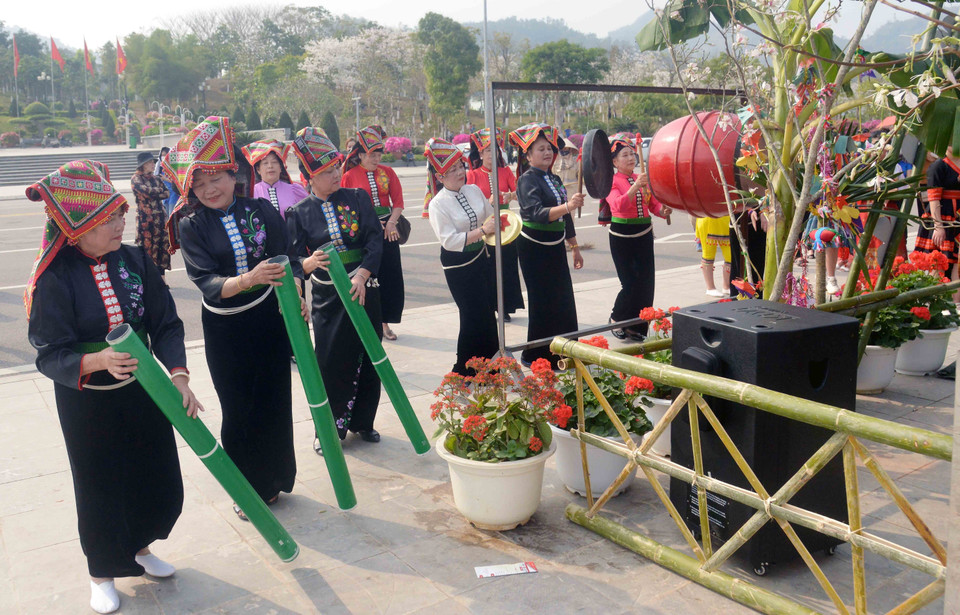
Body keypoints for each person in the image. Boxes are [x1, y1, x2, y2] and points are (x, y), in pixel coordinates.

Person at [25, 160, 201, 614]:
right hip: (88, 401)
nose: (123, 223)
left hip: (145, 391)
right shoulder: (55, 279)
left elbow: (164, 323)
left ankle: (140, 548)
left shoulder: (136, 259)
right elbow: (50, 352)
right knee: (100, 484)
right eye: (110, 219)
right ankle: (102, 573)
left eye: (121, 213)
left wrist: (178, 377)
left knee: (153, 473)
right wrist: (96, 360)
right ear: (78, 229)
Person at [164, 117, 301, 520]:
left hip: (269, 319)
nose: (210, 189)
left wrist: (294, 296)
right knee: (239, 409)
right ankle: (246, 488)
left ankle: (275, 479)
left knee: (274, 399)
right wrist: (250, 278)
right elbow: (207, 282)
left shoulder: (260, 210)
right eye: (200, 183)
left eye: (216, 178)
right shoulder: (191, 226)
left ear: (232, 173)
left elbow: (287, 258)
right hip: (226, 329)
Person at [286, 127, 385, 454]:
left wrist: (363, 275)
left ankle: (363, 422)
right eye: (326, 172)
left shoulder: (357, 198)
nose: (335, 175)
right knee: (330, 362)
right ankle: (328, 430)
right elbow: (292, 259)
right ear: (308, 178)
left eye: (336, 168)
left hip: (364, 288)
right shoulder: (299, 213)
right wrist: (309, 264)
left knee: (370, 357)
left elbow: (374, 239)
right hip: (328, 298)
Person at [509, 123, 585, 368]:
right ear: (528, 155)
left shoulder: (553, 178)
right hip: (534, 248)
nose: (547, 153)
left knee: (563, 298)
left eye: (549, 149)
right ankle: (537, 355)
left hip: (554, 246)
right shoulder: (526, 180)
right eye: (540, 149)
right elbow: (536, 213)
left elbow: (565, 217)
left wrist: (574, 245)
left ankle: (565, 351)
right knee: (543, 301)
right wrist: (568, 206)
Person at [426, 138, 498, 375]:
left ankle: (491, 365)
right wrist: (481, 231)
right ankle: (465, 369)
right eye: (452, 170)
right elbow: (449, 240)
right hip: (458, 266)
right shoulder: (438, 204)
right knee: (471, 315)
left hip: (481, 258)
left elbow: (489, 217)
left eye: (461, 167)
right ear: (439, 177)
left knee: (487, 313)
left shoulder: (474, 190)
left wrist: (499, 211)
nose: (459, 173)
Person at [603, 133, 672, 339]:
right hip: (622, 235)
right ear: (614, 161)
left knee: (646, 282)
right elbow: (618, 205)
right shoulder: (612, 181)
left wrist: (662, 211)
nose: (631, 158)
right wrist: (635, 186)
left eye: (632, 154)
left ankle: (637, 326)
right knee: (630, 282)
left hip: (643, 233)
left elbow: (652, 204)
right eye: (625, 155)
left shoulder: (640, 178)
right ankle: (617, 318)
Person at [341, 125, 405, 341]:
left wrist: (391, 223)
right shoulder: (349, 176)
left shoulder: (388, 172)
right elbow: (346, 207)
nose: (376, 158)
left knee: (389, 274)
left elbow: (398, 201)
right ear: (360, 155)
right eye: (371, 155)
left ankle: (386, 322)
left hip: (389, 230)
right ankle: (372, 322)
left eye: (379, 154)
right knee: (371, 275)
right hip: (364, 231)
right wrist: (371, 223)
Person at [466, 127, 524, 321]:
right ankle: (490, 305)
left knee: (507, 265)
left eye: (495, 150)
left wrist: (510, 195)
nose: (492, 154)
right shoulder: (472, 175)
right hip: (485, 225)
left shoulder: (506, 171)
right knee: (488, 267)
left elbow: (519, 193)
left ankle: (505, 306)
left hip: (506, 224)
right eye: (487, 151)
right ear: (480, 153)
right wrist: (485, 202)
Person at [916, 146, 960, 295]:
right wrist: (938, 226)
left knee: (957, 262)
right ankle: (937, 300)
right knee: (939, 261)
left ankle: (956, 303)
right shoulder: (938, 166)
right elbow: (933, 198)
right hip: (944, 218)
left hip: (957, 219)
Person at [242, 138, 309, 219]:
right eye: (265, 163)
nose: (270, 166)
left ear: (281, 167)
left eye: (274, 162)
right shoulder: (251, 192)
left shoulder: (295, 190)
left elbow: (309, 215)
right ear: (258, 170)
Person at [131, 151, 171, 279]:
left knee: (162, 248)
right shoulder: (136, 179)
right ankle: (149, 279)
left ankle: (162, 279)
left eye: (153, 162)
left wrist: (156, 192)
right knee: (147, 248)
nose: (153, 165)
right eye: (150, 163)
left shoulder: (156, 178)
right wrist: (158, 192)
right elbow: (146, 191)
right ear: (143, 165)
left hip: (160, 218)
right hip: (146, 220)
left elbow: (167, 193)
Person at [696, 215, 732, 297]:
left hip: (726, 220)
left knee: (730, 256)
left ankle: (726, 286)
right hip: (707, 221)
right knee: (708, 254)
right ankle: (710, 288)